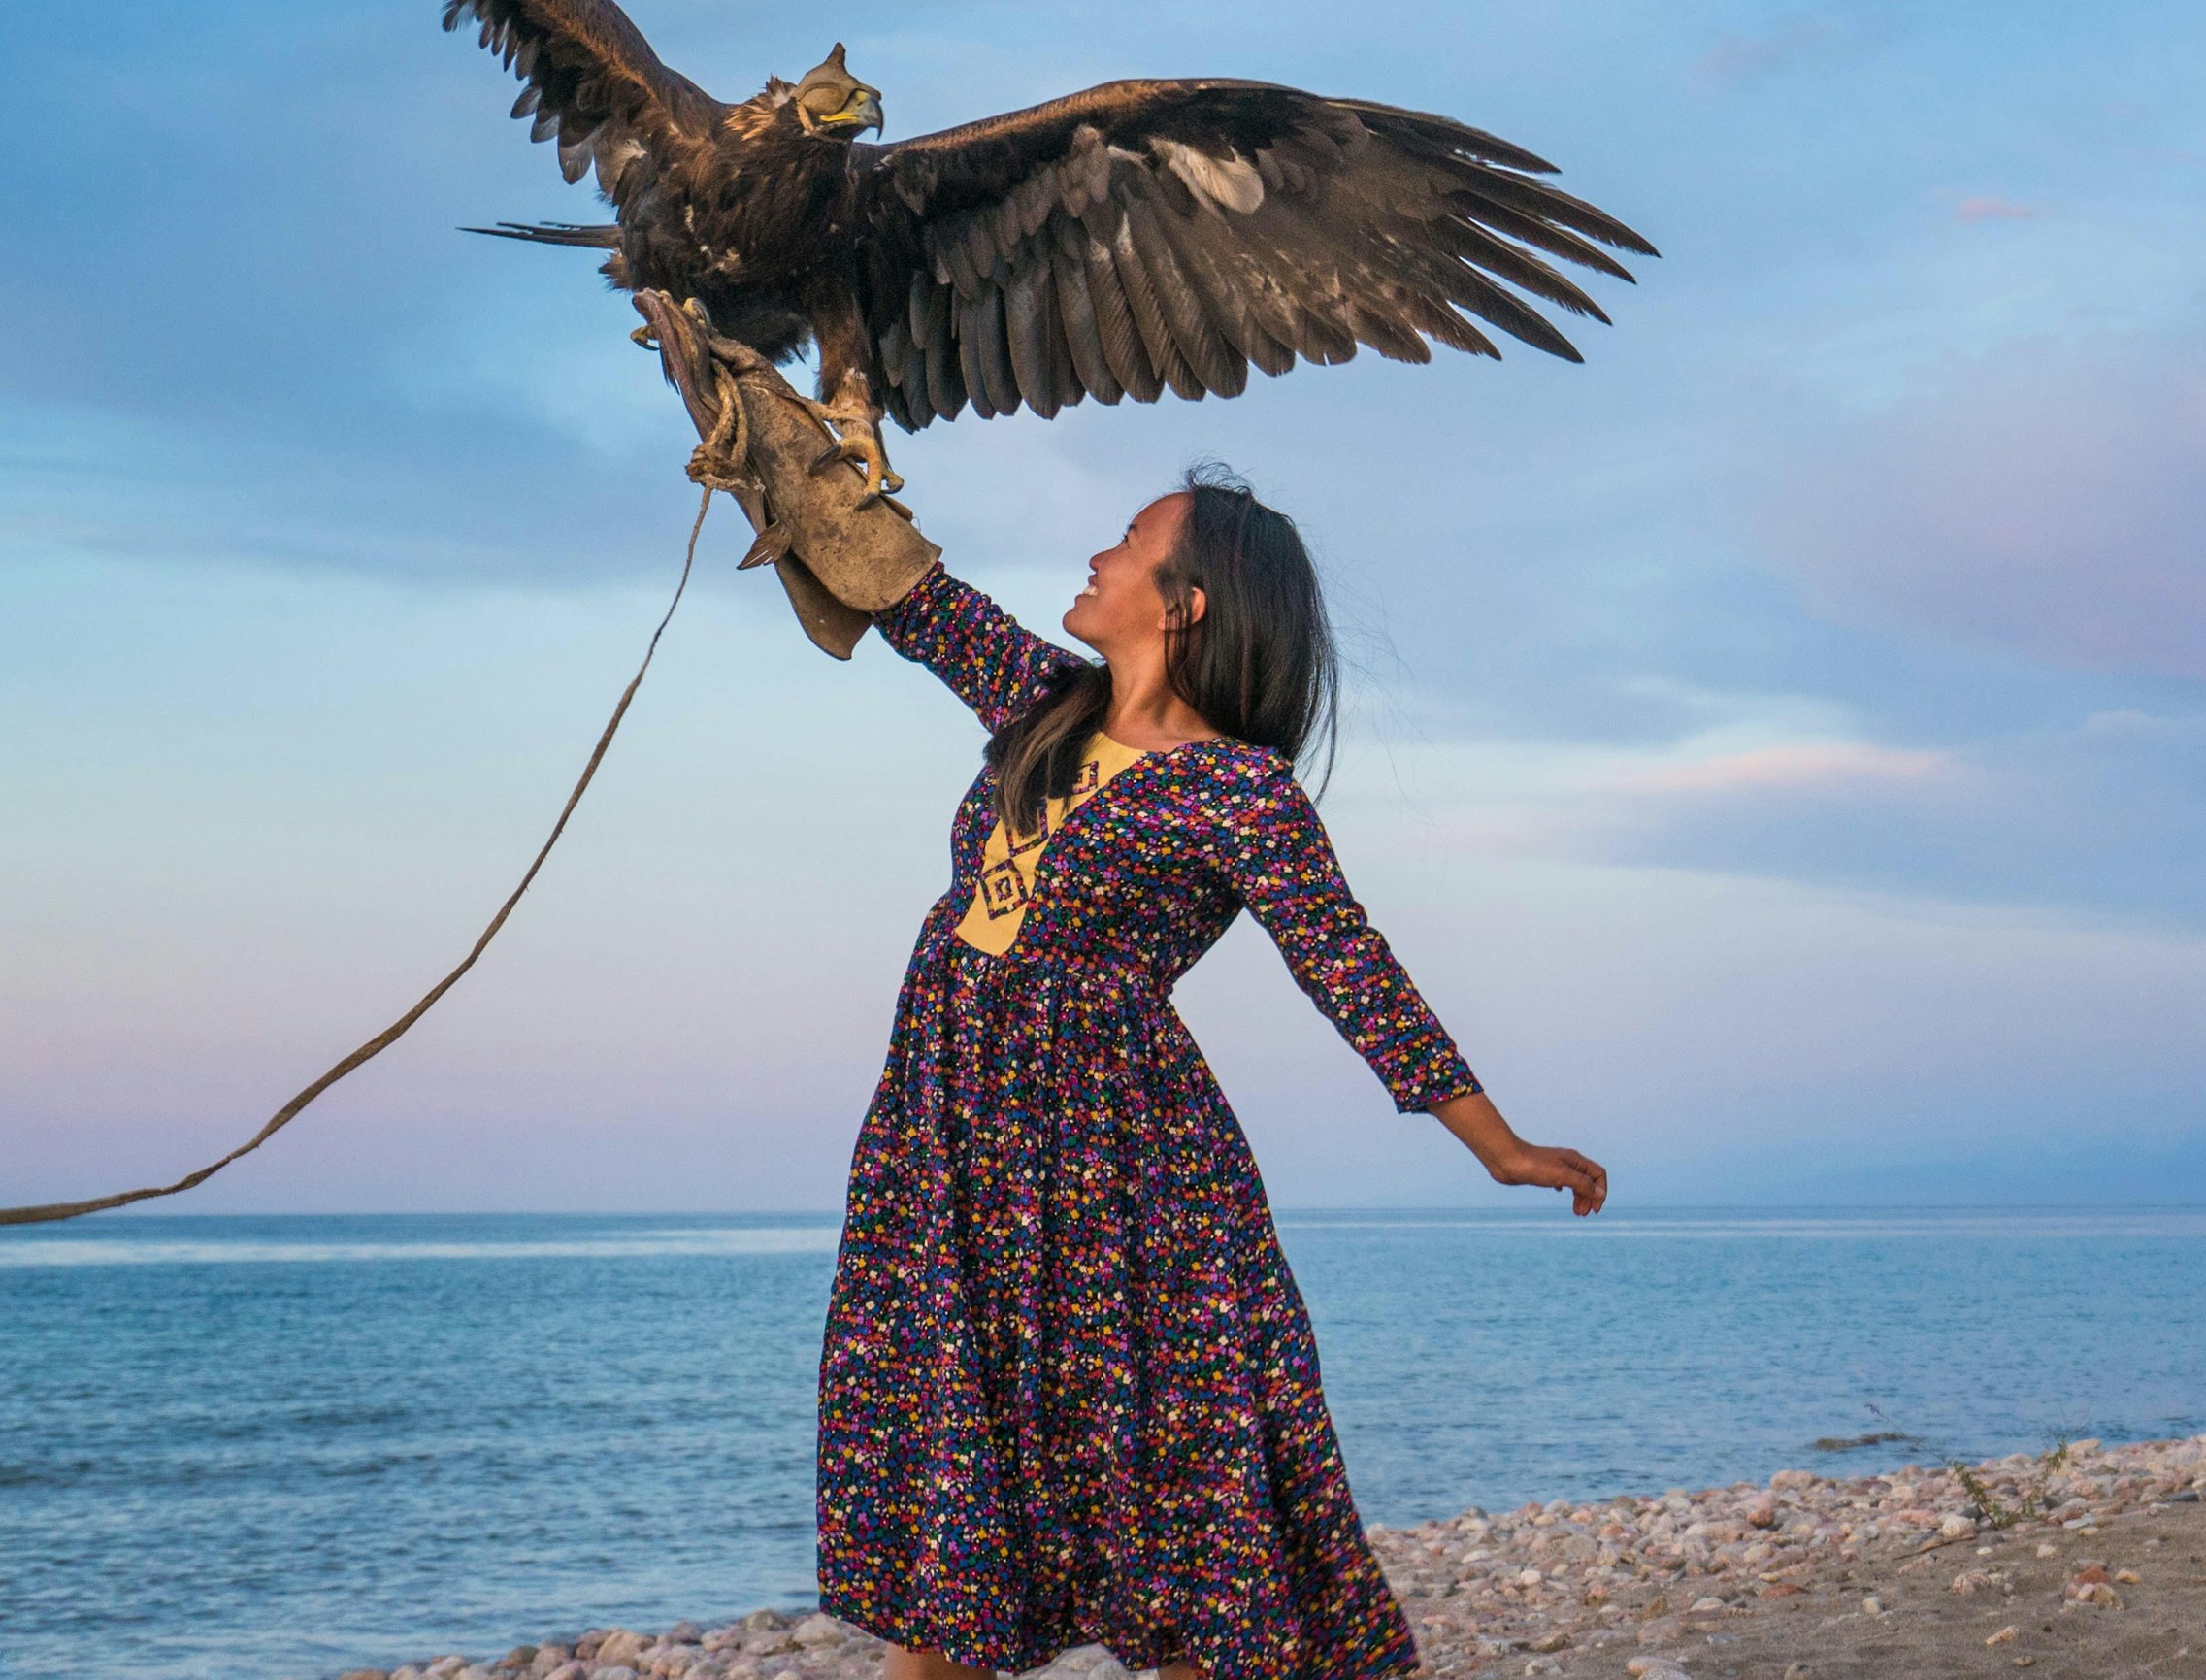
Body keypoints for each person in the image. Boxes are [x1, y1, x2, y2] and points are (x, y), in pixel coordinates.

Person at [670, 319, 1605, 1680]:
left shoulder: (1241, 791)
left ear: (1187, 601)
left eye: (1126, 544)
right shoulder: (1041, 702)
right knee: (962, 1486)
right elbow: (898, 578)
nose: (1097, 557)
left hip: (1120, 1171)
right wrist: (732, 395)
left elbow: (1354, 968)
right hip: (954, 1143)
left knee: (1173, 1500)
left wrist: (1499, 1142)